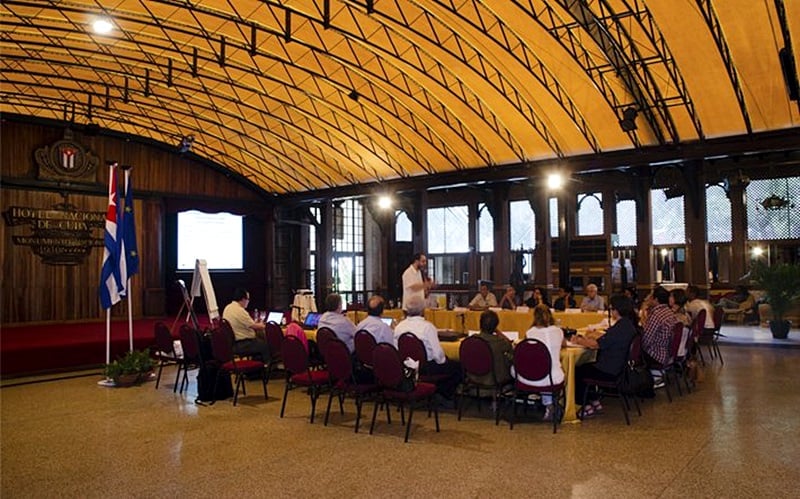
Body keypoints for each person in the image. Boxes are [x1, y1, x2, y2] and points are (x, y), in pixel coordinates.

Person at [572, 295, 638, 417]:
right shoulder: (628, 325)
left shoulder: (619, 328)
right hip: (619, 368)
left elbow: (595, 345)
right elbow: (607, 338)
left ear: (616, 310)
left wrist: (578, 340)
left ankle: (585, 404)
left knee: (578, 370)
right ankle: (595, 400)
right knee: (586, 367)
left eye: (611, 308)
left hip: (609, 369)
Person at [394, 295, 462, 402]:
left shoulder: (399, 327)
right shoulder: (427, 327)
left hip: (408, 368)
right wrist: (445, 361)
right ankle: (444, 394)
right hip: (427, 367)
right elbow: (439, 356)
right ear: (423, 310)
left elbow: (396, 349)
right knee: (459, 368)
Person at [517, 304, 565, 421]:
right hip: (554, 377)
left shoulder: (530, 333)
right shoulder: (558, 331)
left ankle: (544, 404)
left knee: (532, 367)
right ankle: (553, 404)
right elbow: (564, 344)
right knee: (549, 368)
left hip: (530, 377)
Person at [222, 288, 270, 362]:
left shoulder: (228, 308)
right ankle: (267, 369)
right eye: (248, 299)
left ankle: (257, 368)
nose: (248, 301)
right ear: (243, 299)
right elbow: (254, 326)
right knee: (267, 346)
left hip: (232, 343)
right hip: (243, 344)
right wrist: (267, 325)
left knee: (260, 343)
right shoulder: (240, 311)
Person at [642, 286, 678, 385]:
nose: (648, 298)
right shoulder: (668, 311)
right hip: (667, 352)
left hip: (657, 354)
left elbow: (646, 340)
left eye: (650, 296)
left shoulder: (656, 314)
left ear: (656, 299)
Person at [470, 310, 513, 388]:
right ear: (495, 326)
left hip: (473, 378)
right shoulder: (500, 342)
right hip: (494, 379)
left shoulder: (472, 339)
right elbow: (510, 345)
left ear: (480, 324)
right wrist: (498, 332)